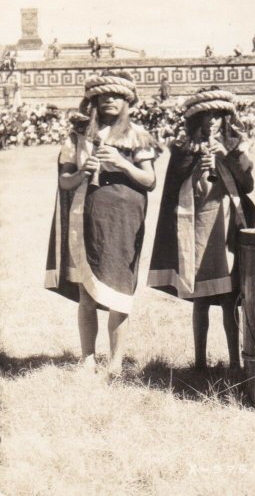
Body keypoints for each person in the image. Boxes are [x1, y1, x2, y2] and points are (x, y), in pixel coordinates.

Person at [44, 71, 160, 376]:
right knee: (86, 291)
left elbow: (150, 181)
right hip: (87, 216)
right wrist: (84, 171)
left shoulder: (137, 134)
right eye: (103, 96)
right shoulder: (79, 136)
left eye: (116, 96)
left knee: (119, 289)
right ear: (93, 101)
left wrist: (122, 163)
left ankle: (116, 361)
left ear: (127, 101)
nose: (109, 101)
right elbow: (65, 181)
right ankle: (87, 358)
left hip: (124, 219)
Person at [148, 87, 255, 373]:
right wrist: (196, 169)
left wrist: (228, 159)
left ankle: (235, 360)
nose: (212, 122)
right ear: (196, 119)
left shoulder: (235, 144)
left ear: (226, 118)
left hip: (226, 227)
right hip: (197, 227)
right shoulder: (185, 148)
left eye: (217, 116)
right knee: (202, 299)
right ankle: (199, 362)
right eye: (206, 116)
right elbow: (176, 188)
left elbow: (248, 185)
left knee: (229, 297)